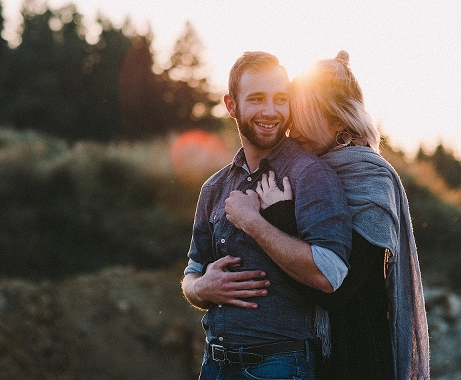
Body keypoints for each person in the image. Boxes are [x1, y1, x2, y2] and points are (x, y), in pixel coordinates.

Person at [226, 51, 430, 380]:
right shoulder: (303, 174)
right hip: (301, 355)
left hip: (354, 356)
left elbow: (336, 288)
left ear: (337, 121)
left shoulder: (371, 180)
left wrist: (270, 217)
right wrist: (201, 284)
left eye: (303, 118)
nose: (291, 131)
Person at [181, 51, 353, 380]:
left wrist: (254, 224)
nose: (270, 112)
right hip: (214, 365)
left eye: (280, 99)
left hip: (279, 366)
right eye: (257, 99)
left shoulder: (310, 175)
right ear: (232, 105)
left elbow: (329, 273)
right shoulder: (214, 188)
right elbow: (191, 273)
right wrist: (202, 288)